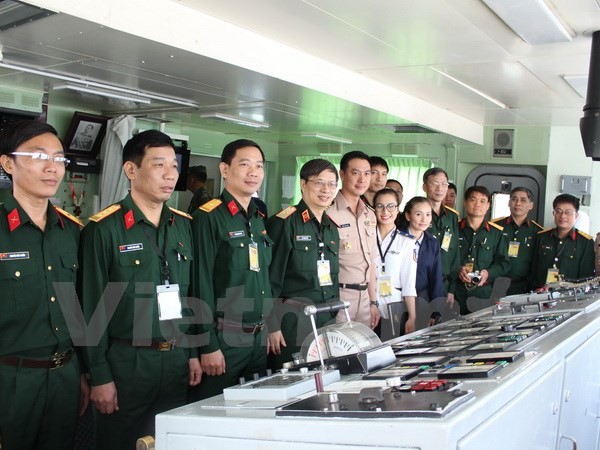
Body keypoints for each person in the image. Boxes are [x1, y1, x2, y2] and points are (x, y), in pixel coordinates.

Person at [78, 130, 201, 450]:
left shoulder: (183, 224)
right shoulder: (103, 228)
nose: (170, 174)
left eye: (174, 166)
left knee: (168, 443)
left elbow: (188, 299)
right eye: (159, 165)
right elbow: (91, 308)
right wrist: (99, 376)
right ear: (131, 170)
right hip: (126, 363)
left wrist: (190, 352)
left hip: (175, 361)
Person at [0, 121, 88, 450]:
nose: (52, 167)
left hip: (64, 377)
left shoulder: (73, 231)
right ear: (8, 163)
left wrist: (82, 371)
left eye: (60, 158)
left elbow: (77, 308)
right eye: (38, 156)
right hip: (10, 381)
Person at [190, 139, 273, 400]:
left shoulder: (258, 218)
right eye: (245, 164)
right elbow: (199, 282)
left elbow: (262, 278)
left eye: (259, 166)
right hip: (225, 340)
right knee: (212, 417)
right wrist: (208, 345)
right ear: (224, 170)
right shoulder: (208, 216)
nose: (253, 173)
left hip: (258, 339)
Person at [266, 159, 340, 368]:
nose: (326, 190)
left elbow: (333, 277)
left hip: (325, 318)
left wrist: (334, 315)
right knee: (295, 377)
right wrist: (272, 326)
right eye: (319, 183)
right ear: (303, 184)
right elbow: (270, 280)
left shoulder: (331, 228)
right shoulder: (283, 223)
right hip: (292, 320)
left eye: (332, 184)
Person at [327, 151, 379, 329]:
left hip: (365, 299)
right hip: (340, 297)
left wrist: (373, 302)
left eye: (367, 173)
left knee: (362, 350)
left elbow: (370, 262)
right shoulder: (328, 211)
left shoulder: (370, 214)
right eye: (356, 173)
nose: (362, 179)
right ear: (342, 174)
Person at [455, 186, 510, 315]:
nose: (477, 204)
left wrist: (488, 273)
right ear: (465, 202)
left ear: (488, 206)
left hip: (483, 294)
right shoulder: (454, 229)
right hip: (456, 293)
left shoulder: (496, 233)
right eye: (473, 200)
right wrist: (458, 269)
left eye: (482, 201)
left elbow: (504, 263)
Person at [372, 188, 417, 337]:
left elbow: (408, 283)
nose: (385, 211)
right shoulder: (366, 237)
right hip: (367, 307)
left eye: (391, 206)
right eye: (380, 206)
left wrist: (412, 316)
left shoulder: (406, 241)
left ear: (397, 209)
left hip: (394, 308)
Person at [530, 194, 595, 289]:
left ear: (576, 215)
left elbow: (585, 278)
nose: (562, 216)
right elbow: (533, 270)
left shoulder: (586, 242)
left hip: (568, 297)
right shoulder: (541, 237)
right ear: (554, 214)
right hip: (540, 294)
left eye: (568, 212)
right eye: (558, 211)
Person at [400, 196, 444, 326]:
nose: (424, 219)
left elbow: (435, 278)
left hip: (422, 300)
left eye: (428, 214)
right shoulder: (396, 237)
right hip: (398, 300)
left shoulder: (433, 243)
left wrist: (435, 312)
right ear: (408, 216)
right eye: (418, 214)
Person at [490, 187, 543, 295]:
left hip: (523, 288)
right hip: (494, 285)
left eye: (523, 200)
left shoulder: (538, 232)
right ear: (509, 203)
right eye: (514, 199)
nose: (518, 203)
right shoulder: (495, 226)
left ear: (531, 205)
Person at [422, 168, 460, 306]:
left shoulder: (452, 217)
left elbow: (455, 254)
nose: (440, 188)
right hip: (421, 286)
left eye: (444, 184)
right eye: (435, 183)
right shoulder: (416, 212)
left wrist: (452, 289)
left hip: (444, 285)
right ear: (425, 186)